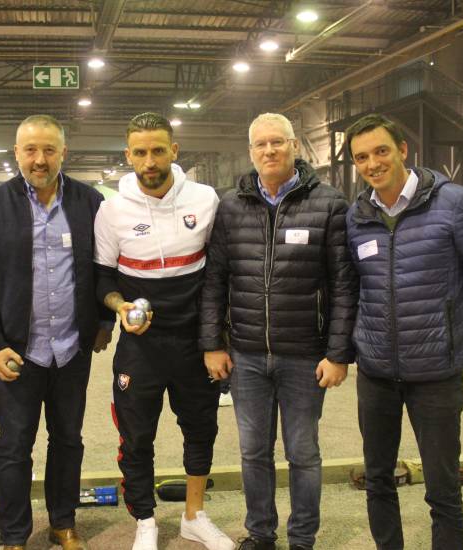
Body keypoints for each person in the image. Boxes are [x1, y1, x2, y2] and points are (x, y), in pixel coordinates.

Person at [200, 113, 357, 550]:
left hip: (305, 355)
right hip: (247, 356)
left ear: (294, 147)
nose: (269, 151)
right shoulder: (230, 206)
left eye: (278, 143)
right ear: (251, 152)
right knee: (253, 453)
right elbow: (215, 281)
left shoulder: (329, 204)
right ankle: (261, 534)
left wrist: (339, 352)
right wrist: (213, 344)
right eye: (260, 145)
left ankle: (302, 539)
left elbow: (345, 284)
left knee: (303, 453)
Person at [344, 114, 463, 550]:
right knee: (378, 479)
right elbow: (353, 287)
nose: (373, 163)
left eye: (381, 151)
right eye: (362, 157)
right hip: (376, 373)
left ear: (403, 150)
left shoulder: (455, 203)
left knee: (442, 485)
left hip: (436, 373)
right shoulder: (357, 216)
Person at [0, 114, 111, 550]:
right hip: (17, 352)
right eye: (30, 150)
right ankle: (14, 533)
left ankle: (63, 522)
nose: (40, 159)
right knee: (13, 448)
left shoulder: (90, 202)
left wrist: (102, 323)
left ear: (63, 152)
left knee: (68, 440)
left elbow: (106, 269)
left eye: (49, 149)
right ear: (16, 153)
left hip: (70, 349)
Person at [94, 112, 233, 550]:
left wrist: (217, 339)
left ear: (174, 151)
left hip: (195, 343)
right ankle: (145, 522)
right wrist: (120, 306)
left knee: (201, 428)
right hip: (141, 346)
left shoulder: (206, 199)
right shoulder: (112, 210)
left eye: (158, 150)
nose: (149, 161)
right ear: (128, 155)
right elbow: (102, 280)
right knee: (137, 436)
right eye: (140, 152)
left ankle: (194, 516)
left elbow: (220, 272)